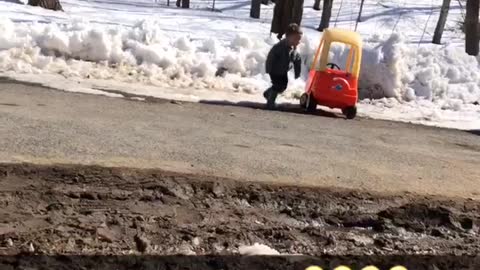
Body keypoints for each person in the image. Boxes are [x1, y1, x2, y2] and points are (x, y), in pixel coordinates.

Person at [264, 23, 302, 109]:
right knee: (278, 85)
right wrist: (268, 68)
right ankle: (270, 102)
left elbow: (297, 60)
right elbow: (271, 57)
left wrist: (297, 72)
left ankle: (268, 93)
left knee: (282, 86)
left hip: (283, 71)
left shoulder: (293, 49)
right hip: (275, 70)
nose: (298, 41)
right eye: (296, 39)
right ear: (288, 37)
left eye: (299, 40)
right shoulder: (280, 47)